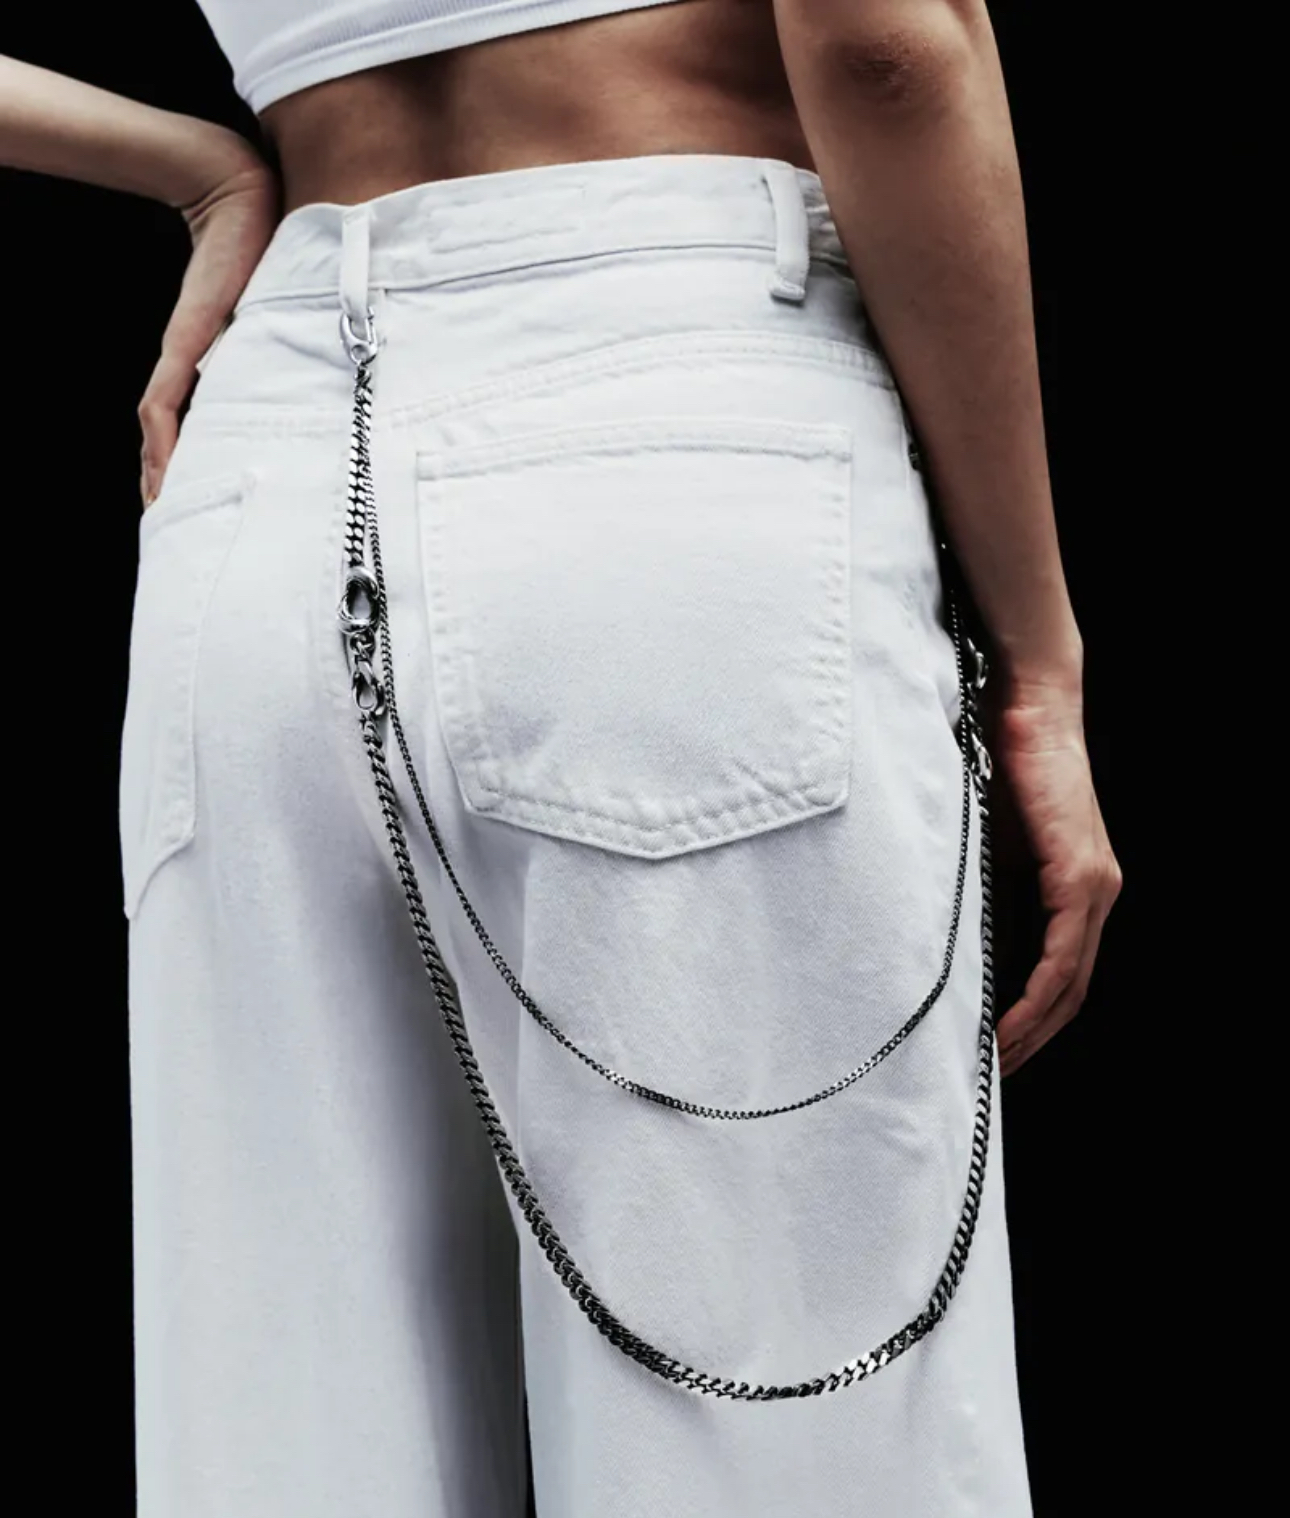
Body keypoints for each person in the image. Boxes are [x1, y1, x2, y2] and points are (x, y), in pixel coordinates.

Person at [1, 3, 1121, 1514]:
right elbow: (882, 48)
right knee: (796, 1439)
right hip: (674, 416)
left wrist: (202, 171)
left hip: (263, 480)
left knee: (292, 1438)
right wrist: (1037, 655)